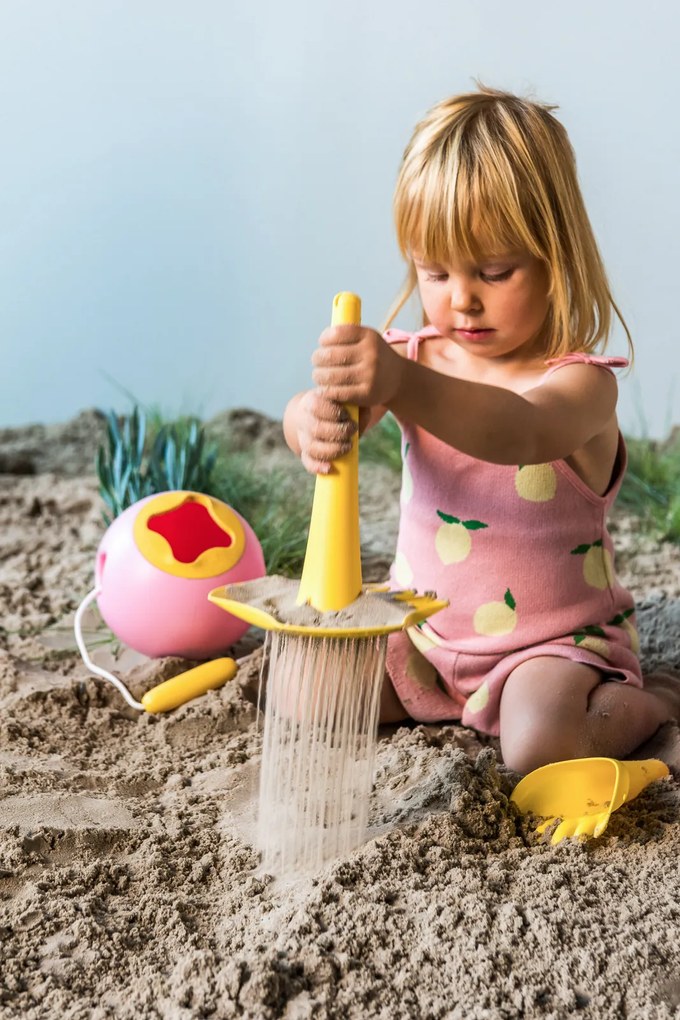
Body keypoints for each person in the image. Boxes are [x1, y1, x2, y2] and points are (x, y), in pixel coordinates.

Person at [282, 85, 680, 774]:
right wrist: (310, 420)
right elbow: (331, 416)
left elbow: (521, 432)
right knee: (302, 686)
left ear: (556, 256)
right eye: (433, 270)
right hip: (425, 638)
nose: (460, 298)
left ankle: (658, 700)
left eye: (494, 271)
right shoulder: (415, 358)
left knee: (539, 747)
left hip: (550, 650)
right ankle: (440, 699)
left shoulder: (580, 385)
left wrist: (403, 383)